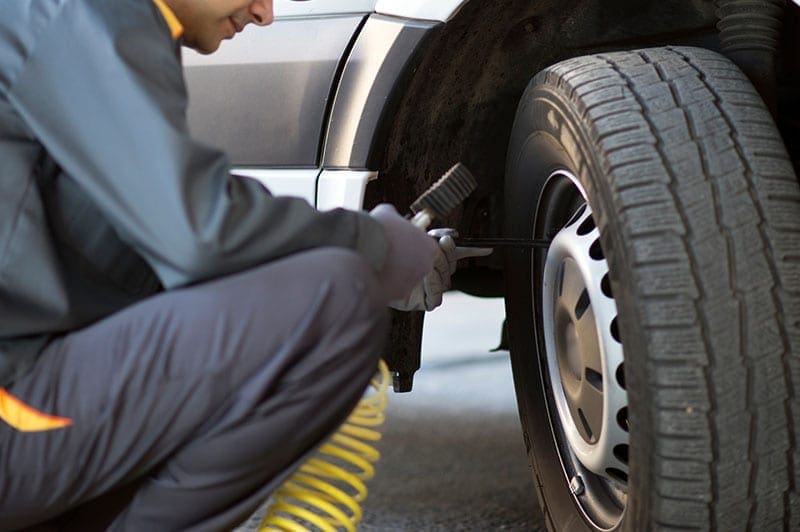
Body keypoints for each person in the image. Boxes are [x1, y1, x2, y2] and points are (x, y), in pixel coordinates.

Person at [0, 0, 488, 529]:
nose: (265, 13)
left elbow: (159, 256)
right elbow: (198, 233)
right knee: (329, 301)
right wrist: (374, 245)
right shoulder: (81, 13)